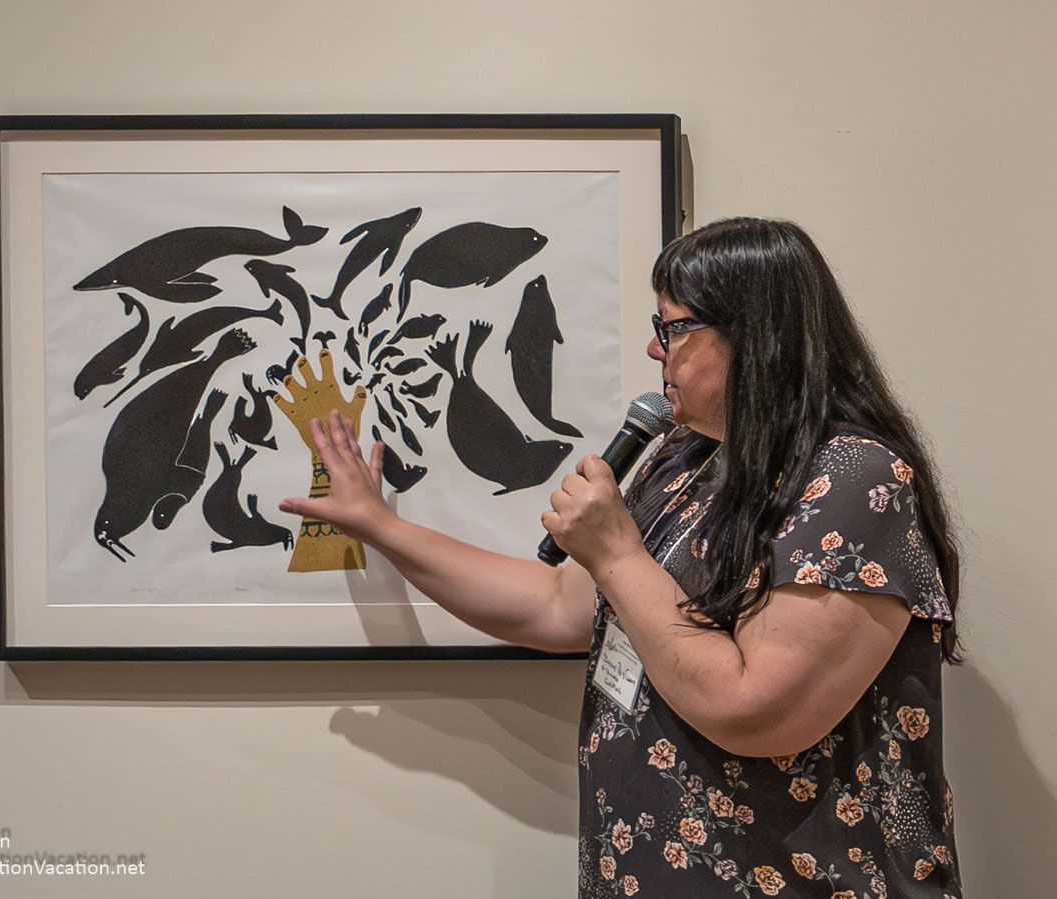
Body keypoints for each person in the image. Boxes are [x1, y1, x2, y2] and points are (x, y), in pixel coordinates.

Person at [279, 217, 962, 898]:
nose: (653, 347)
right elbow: (557, 605)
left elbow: (755, 709)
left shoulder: (854, 477)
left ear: (755, 334)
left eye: (673, 327)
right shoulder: (687, 458)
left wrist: (614, 551)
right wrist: (377, 525)